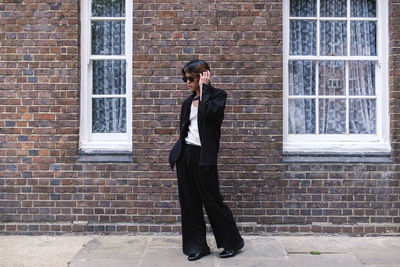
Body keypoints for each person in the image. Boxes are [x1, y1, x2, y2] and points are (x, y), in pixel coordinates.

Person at [169, 60, 244, 261]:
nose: (186, 82)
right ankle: (197, 246)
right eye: (184, 78)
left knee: (213, 201)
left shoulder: (218, 97)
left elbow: (209, 115)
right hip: (186, 156)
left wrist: (205, 90)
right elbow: (186, 130)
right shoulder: (187, 102)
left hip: (204, 157)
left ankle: (232, 242)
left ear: (203, 76)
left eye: (190, 78)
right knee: (190, 203)